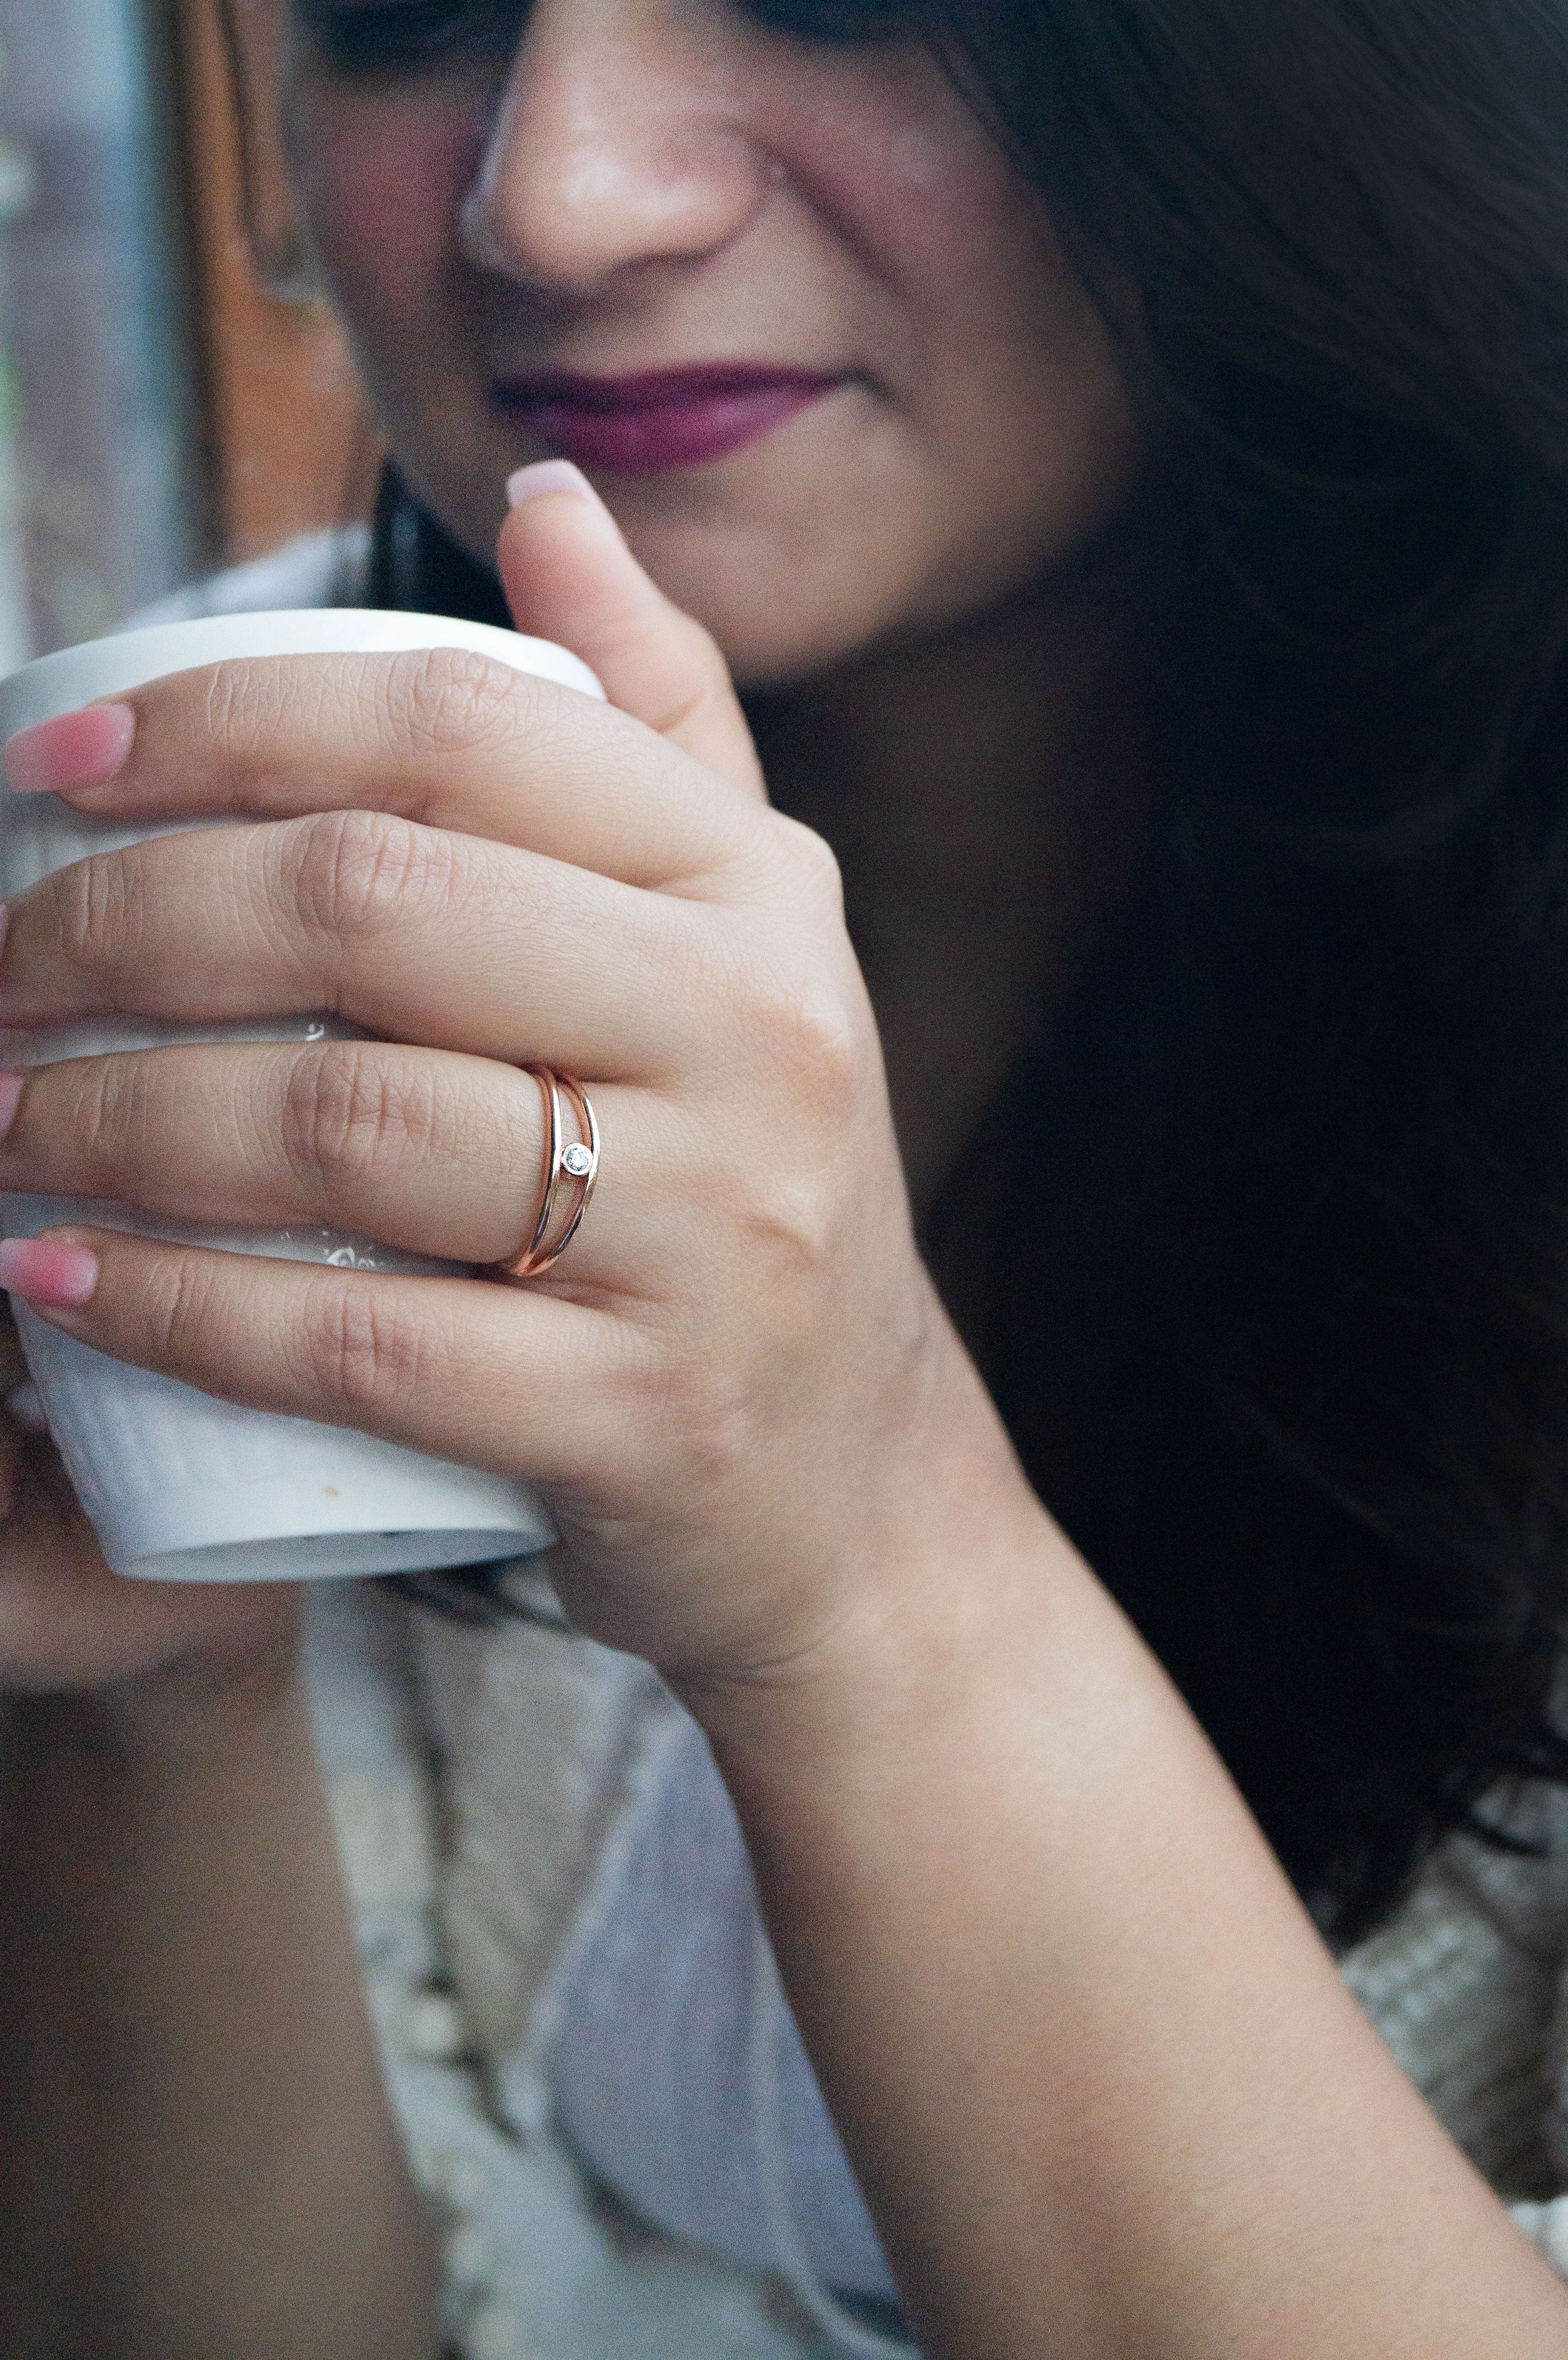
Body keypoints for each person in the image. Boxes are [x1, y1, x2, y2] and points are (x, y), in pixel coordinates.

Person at [7, 0, 1568, 2351]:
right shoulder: (223, 858)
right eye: (407, 10)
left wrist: (870, 1559)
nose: (553, 199)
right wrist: (141, 1681)